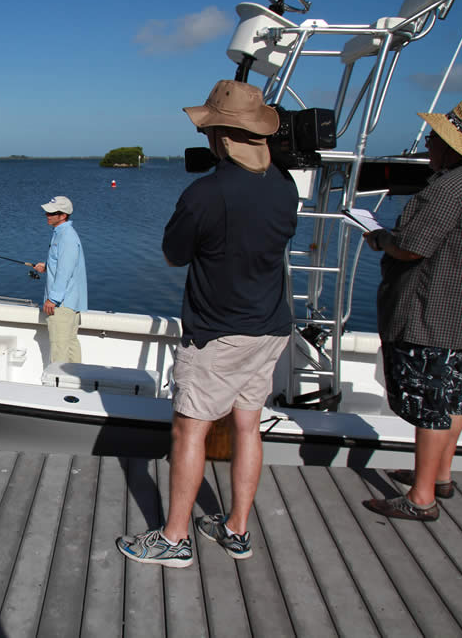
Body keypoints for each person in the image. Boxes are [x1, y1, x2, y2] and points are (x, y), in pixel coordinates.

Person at [116, 80, 297, 567]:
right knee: (247, 425)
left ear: (218, 133)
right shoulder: (284, 186)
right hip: (272, 325)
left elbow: (174, 255)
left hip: (218, 333)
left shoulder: (206, 193)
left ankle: (174, 539)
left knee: (189, 431)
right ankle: (236, 528)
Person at [362, 97, 462, 521]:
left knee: (429, 405)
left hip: (432, 312)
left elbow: (411, 247)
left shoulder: (450, 187)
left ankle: (420, 496)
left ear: (452, 144)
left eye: (434, 137)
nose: (427, 143)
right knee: (452, 398)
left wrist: (380, 238)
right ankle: (439, 474)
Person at [33, 195, 88, 364]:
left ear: (63, 215)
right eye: (47, 212)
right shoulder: (61, 233)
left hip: (62, 304)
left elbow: (65, 271)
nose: (47, 215)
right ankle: (75, 383)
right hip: (68, 302)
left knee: (59, 349)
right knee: (70, 344)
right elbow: (63, 264)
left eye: (52, 213)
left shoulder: (66, 237)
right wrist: (47, 265)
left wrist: (53, 298)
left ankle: (58, 387)